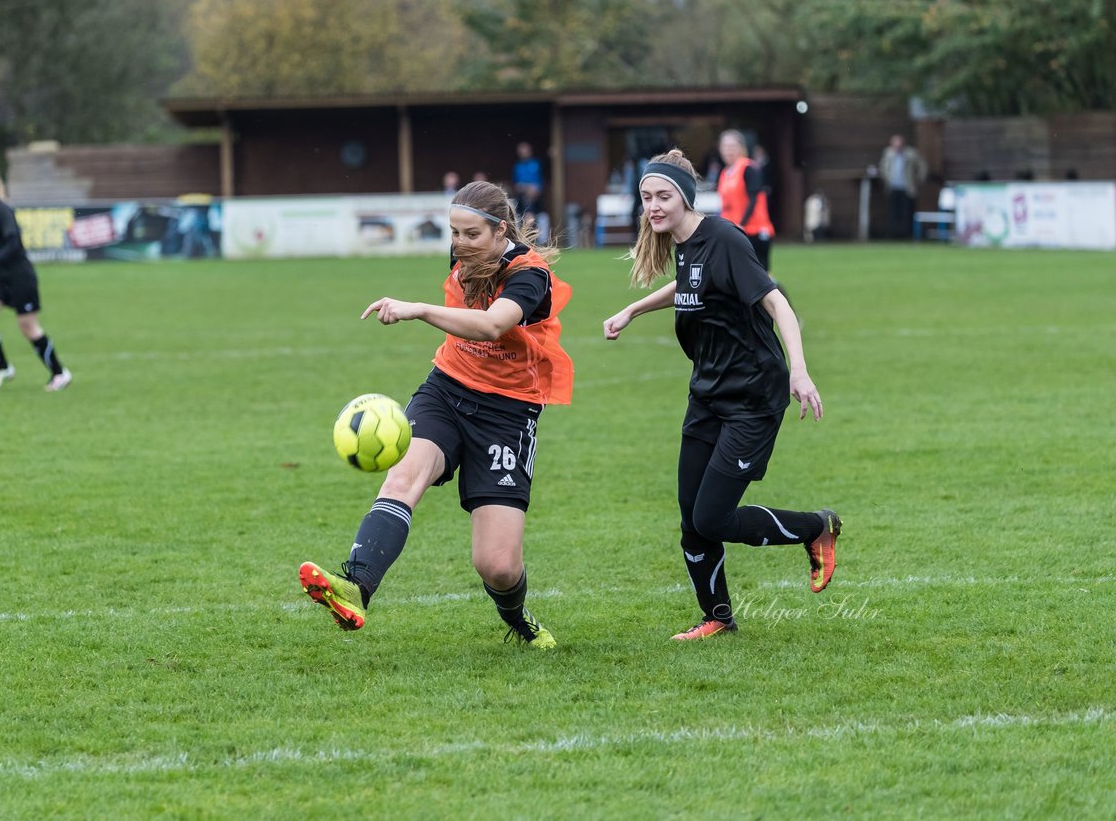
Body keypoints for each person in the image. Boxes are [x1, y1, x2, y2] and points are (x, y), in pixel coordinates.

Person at [298, 180, 573, 649]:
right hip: (445, 390)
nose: (460, 244)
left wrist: (417, 309)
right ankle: (355, 588)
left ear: (499, 229)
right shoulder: (465, 257)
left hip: (507, 413)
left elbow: (492, 324)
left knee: (498, 566)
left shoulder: (531, 275)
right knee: (404, 479)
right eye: (454, 233)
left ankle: (519, 619)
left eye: (471, 234)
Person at [601, 149, 842, 641]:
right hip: (707, 394)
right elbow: (687, 286)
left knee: (712, 517)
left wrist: (800, 370)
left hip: (752, 397)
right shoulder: (684, 243)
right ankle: (718, 617)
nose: (653, 206)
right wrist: (632, 310)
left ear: (686, 197)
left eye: (663, 196)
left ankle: (817, 527)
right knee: (691, 519)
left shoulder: (726, 239)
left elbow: (778, 303)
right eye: (646, 197)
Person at [0, 165, 73, 393]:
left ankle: (59, 373)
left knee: (28, 327)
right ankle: (4, 368)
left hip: (19, 278)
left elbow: (14, 244)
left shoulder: (2, 211)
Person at [717, 129, 777, 274]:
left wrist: (740, 224)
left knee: (759, 276)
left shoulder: (749, 168)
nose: (728, 151)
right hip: (734, 233)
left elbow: (754, 199)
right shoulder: (725, 173)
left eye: (732, 146)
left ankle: (777, 296)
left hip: (753, 231)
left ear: (741, 148)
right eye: (725, 146)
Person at [878, 134, 928, 239]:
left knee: (907, 211)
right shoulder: (888, 153)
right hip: (893, 187)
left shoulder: (911, 153)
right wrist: (886, 179)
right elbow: (883, 168)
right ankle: (894, 234)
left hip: (907, 187)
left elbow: (922, 166)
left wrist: (919, 180)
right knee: (894, 212)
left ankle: (907, 234)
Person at [511, 141, 544, 224]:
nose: (523, 154)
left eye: (524, 151)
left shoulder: (536, 163)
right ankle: (527, 217)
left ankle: (531, 217)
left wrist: (533, 188)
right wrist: (525, 187)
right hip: (522, 194)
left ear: (529, 151)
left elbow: (539, 182)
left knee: (532, 192)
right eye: (521, 152)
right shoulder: (517, 166)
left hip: (536, 195)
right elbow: (516, 185)